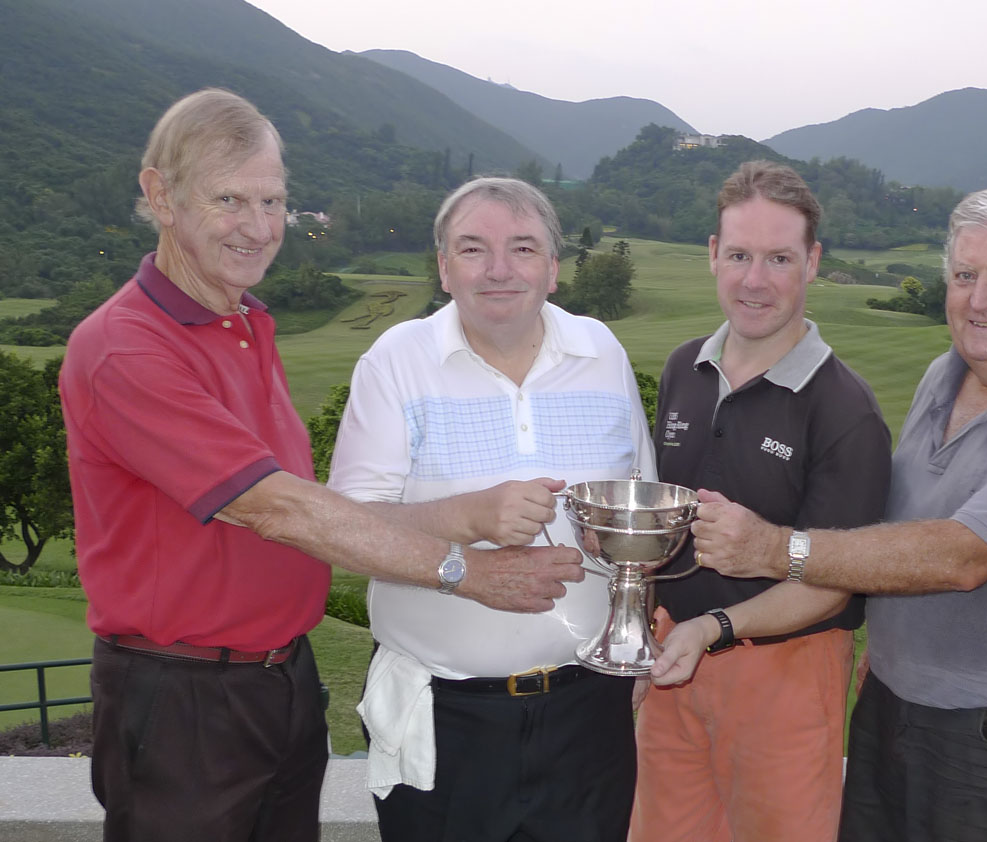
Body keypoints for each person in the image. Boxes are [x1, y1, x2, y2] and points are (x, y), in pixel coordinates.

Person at [59, 90, 583, 842]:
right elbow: (278, 508)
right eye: (229, 199)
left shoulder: (248, 321)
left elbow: (316, 506)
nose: (257, 226)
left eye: (272, 200)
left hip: (281, 681)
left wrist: (463, 517)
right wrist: (467, 568)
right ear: (160, 196)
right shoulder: (125, 348)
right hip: (183, 699)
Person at [696, 186, 987, 842]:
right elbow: (904, 515)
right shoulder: (947, 374)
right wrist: (887, 635)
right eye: (965, 275)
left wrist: (774, 549)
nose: (980, 299)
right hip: (890, 702)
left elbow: (961, 556)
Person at [326, 176, 656, 842]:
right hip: (445, 718)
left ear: (554, 269)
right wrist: (466, 517)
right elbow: (342, 530)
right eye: (474, 249)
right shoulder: (396, 362)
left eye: (524, 248)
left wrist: (636, 638)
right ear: (444, 269)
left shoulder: (602, 354)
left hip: (588, 714)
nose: (500, 269)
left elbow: (640, 518)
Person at [628, 160, 893, 842]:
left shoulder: (845, 411)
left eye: (779, 258)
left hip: (787, 675)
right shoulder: (685, 369)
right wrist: (647, 634)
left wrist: (711, 627)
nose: (755, 280)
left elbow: (830, 587)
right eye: (740, 254)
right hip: (673, 666)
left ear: (812, 262)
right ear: (713, 255)